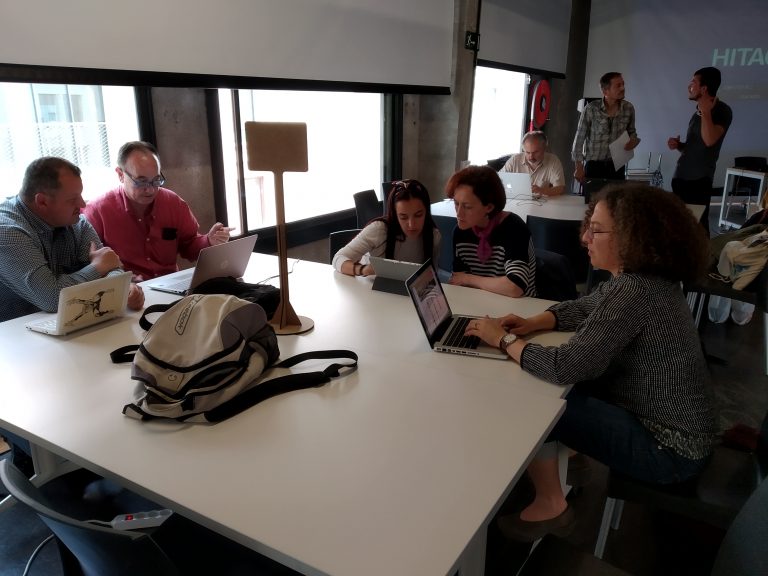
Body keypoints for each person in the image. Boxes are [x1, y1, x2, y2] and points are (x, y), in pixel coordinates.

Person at [465, 183, 715, 541]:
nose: (584, 238)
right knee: (570, 385)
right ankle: (574, 458)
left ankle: (552, 505)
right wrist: (533, 322)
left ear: (631, 238)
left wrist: (503, 340)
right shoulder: (646, 279)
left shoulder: (635, 291)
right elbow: (587, 307)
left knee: (539, 400)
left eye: (596, 230)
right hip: (684, 433)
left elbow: (564, 366)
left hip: (670, 452)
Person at [0, 156, 144, 476]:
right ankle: (38, 470)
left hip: (64, 334)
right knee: (59, 428)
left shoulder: (74, 222)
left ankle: (84, 463)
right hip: (15, 354)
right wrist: (98, 269)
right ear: (42, 201)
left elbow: (108, 263)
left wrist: (122, 285)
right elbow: (51, 297)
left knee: (111, 389)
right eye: (72, 199)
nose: (83, 204)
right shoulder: (8, 231)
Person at [83, 141, 233, 281]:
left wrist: (209, 241)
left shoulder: (173, 203)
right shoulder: (97, 211)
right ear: (120, 175)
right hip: (126, 291)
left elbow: (189, 246)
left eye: (156, 180)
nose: (150, 189)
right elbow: (88, 266)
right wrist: (120, 281)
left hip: (169, 285)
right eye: (141, 181)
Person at [446, 165, 536, 297]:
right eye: (456, 203)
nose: (459, 213)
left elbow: (515, 287)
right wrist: (465, 280)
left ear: (489, 207)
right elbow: (458, 280)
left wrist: (468, 279)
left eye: (467, 206)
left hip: (518, 305)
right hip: (480, 300)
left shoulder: (514, 228)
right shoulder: (460, 232)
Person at [668, 66, 732, 234]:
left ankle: (705, 253)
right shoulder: (697, 112)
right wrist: (679, 145)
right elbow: (696, 147)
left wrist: (705, 111)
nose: (690, 86)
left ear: (704, 88)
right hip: (681, 178)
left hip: (699, 181)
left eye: (694, 82)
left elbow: (710, 140)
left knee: (698, 229)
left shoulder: (722, 110)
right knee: (681, 227)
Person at [332, 179, 440, 276]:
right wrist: (363, 269)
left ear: (426, 212)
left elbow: (431, 277)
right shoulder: (379, 230)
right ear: (395, 215)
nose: (411, 224)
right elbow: (338, 258)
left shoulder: (433, 236)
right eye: (403, 217)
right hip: (368, 286)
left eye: (418, 215)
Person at [572, 72, 641, 183]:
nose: (623, 88)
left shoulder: (628, 108)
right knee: (594, 194)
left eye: (623, 84)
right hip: (594, 165)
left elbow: (632, 132)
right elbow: (579, 138)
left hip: (617, 165)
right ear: (605, 91)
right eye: (618, 85)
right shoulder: (591, 109)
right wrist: (578, 167)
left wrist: (634, 140)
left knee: (616, 195)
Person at [501, 131, 565, 196]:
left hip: (542, 201)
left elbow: (560, 189)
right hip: (516, 199)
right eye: (527, 152)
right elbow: (499, 181)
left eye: (535, 152)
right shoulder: (514, 160)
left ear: (544, 148)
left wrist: (542, 190)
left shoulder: (553, 160)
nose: (531, 157)